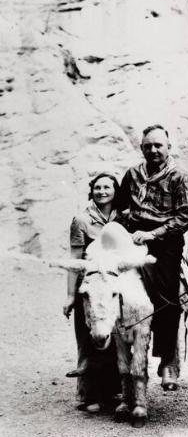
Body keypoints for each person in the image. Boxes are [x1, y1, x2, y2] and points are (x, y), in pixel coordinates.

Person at [118, 124, 188, 390]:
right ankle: (119, 363)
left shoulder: (180, 176)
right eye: (148, 146)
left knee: (166, 297)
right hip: (133, 237)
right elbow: (120, 205)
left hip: (165, 243)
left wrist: (152, 235)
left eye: (158, 145)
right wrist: (125, 226)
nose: (153, 150)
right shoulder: (133, 174)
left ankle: (167, 362)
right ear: (141, 148)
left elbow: (184, 217)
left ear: (168, 147)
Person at [63, 172, 122, 413]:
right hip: (90, 286)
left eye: (107, 187)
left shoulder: (124, 216)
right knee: (88, 338)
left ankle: (115, 391)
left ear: (115, 190)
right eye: (97, 187)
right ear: (92, 191)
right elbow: (74, 259)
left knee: (114, 337)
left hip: (113, 285)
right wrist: (70, 295)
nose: (102, 191)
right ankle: (89, 394)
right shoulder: (81, 220)